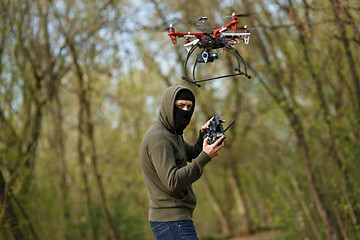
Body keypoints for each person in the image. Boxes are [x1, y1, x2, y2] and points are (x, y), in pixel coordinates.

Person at [140, 84, 225, 240]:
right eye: (180, 106)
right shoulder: (160, 138)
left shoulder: (172, 133)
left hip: (176, 219)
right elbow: (173, 181)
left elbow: (191, 153)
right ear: (168, 105)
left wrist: (203, 136)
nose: (185, 111)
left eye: (189, 107)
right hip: (171, 220)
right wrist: (205, 157)